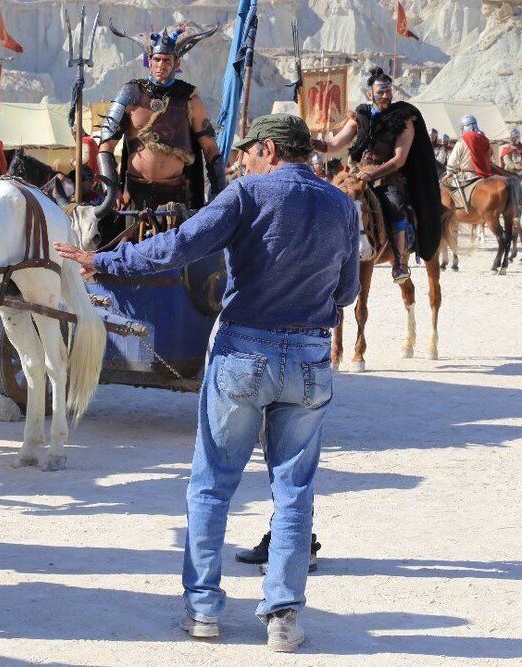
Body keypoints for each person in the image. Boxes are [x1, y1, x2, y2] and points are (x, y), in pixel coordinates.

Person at [55, 114, 360, 652]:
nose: (240, 160)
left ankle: (203, 611)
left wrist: (103, 261)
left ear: (268, 149)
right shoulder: (342, 204)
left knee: (213, 483)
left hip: (245, 352)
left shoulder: (246, 194)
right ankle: (283, 616)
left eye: (247, 152)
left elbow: (178, 246)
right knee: (294, 490)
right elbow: (346, 293)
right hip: (311, 357)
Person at [311, 67, 443, 285]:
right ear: (369, 93)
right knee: (332, 202)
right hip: (356, 173)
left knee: (395, 205)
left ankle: (400, 263)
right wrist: (315, 143)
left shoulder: (403, 118)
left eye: (388, 91)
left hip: (387, 176)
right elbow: (334, 144)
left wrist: (372, 175)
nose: (385, 95)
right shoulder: (360, 116)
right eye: (381, 91)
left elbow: (399, 160)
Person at [97, 23, 226, 232]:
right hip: (135, 196)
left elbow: (211, 150)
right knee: (126, 256)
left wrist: (219, 193)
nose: (161, 65)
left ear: (177, 63)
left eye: (167, 60)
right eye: (156, 59)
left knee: (175, 260)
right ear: (149, 61)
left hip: (174, 198)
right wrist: (111, 192)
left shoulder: (189, 98)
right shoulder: (130, 93)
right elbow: (105, 147)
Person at [444, 115, 495, 209]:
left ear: (464, 127)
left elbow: (453, 159)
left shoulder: (463, 139)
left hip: (467, 175)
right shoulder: (485, 139)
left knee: (445, 189)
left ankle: (457, 210)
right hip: (484, 174)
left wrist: (449, 172)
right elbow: (491, 154)